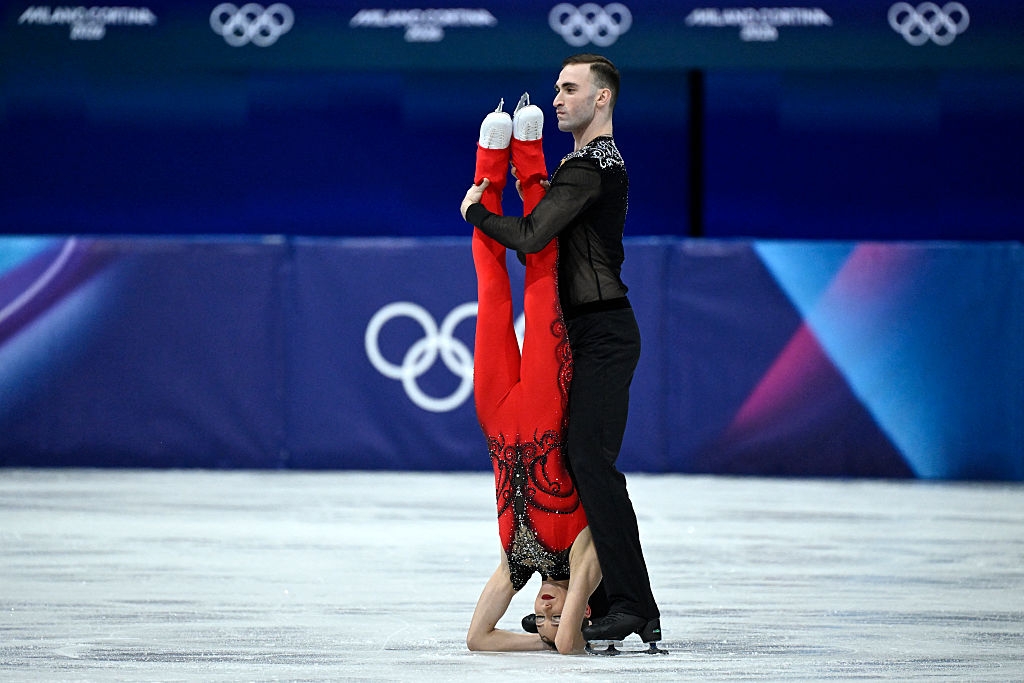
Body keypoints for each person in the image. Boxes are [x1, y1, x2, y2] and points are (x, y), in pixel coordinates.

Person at [460, 54, 662, 645]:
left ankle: (632, 604)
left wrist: (475, 212)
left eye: (570, 89)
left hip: (602, 333)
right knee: (582, 462)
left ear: (602, 99)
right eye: (556, 88)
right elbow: (539, 245)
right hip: (584, 331)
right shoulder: (581, 164)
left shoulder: (590, 166)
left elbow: (530, 236)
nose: (558, 98)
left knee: (592, 463)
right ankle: (609, 601)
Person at [464, 95, 604, 655]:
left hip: (496, 417)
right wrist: (563, 635)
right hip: (547, 405)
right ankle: (531, 158)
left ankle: (487, 167)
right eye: (554, 615)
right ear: (582, 606)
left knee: (491, 292)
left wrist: (538, 643)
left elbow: (477, 640)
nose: (541, 612)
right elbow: (571, 645)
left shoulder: (515, 564)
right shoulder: (584, 555)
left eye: (535, 618)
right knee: (541, 280)